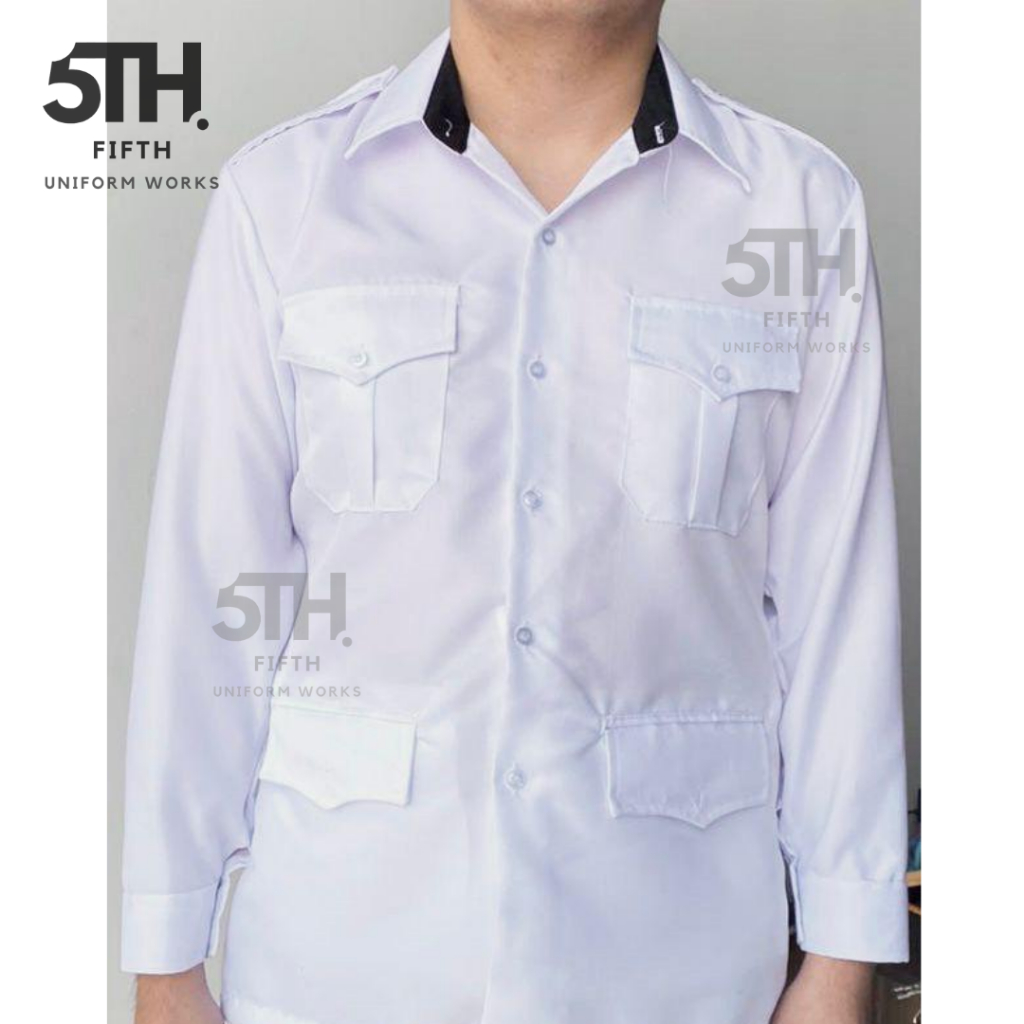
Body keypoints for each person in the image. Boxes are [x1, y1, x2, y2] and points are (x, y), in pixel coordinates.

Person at [123, 2, 909, 1023]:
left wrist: (842, 962)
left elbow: (839, 614)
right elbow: (210, 603)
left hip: (675, 974)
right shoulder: (285, 198)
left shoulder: (799, 208)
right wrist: (168, 961)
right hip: (342, 965)